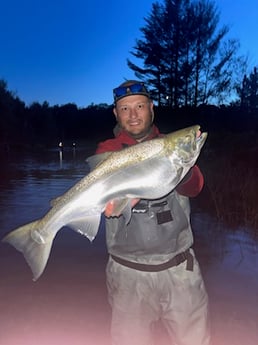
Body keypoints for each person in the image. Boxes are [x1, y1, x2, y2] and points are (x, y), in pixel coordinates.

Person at [95, 80, 211, 345]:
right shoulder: (108, 151)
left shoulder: (169, 145)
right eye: (125, 109)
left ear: (151, 109)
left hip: (180, 270)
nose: (133, 114)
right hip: (128, 275)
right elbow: (105, 202)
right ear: (116, 114)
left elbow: (196, 186)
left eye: (139, 106)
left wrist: (177, 166)